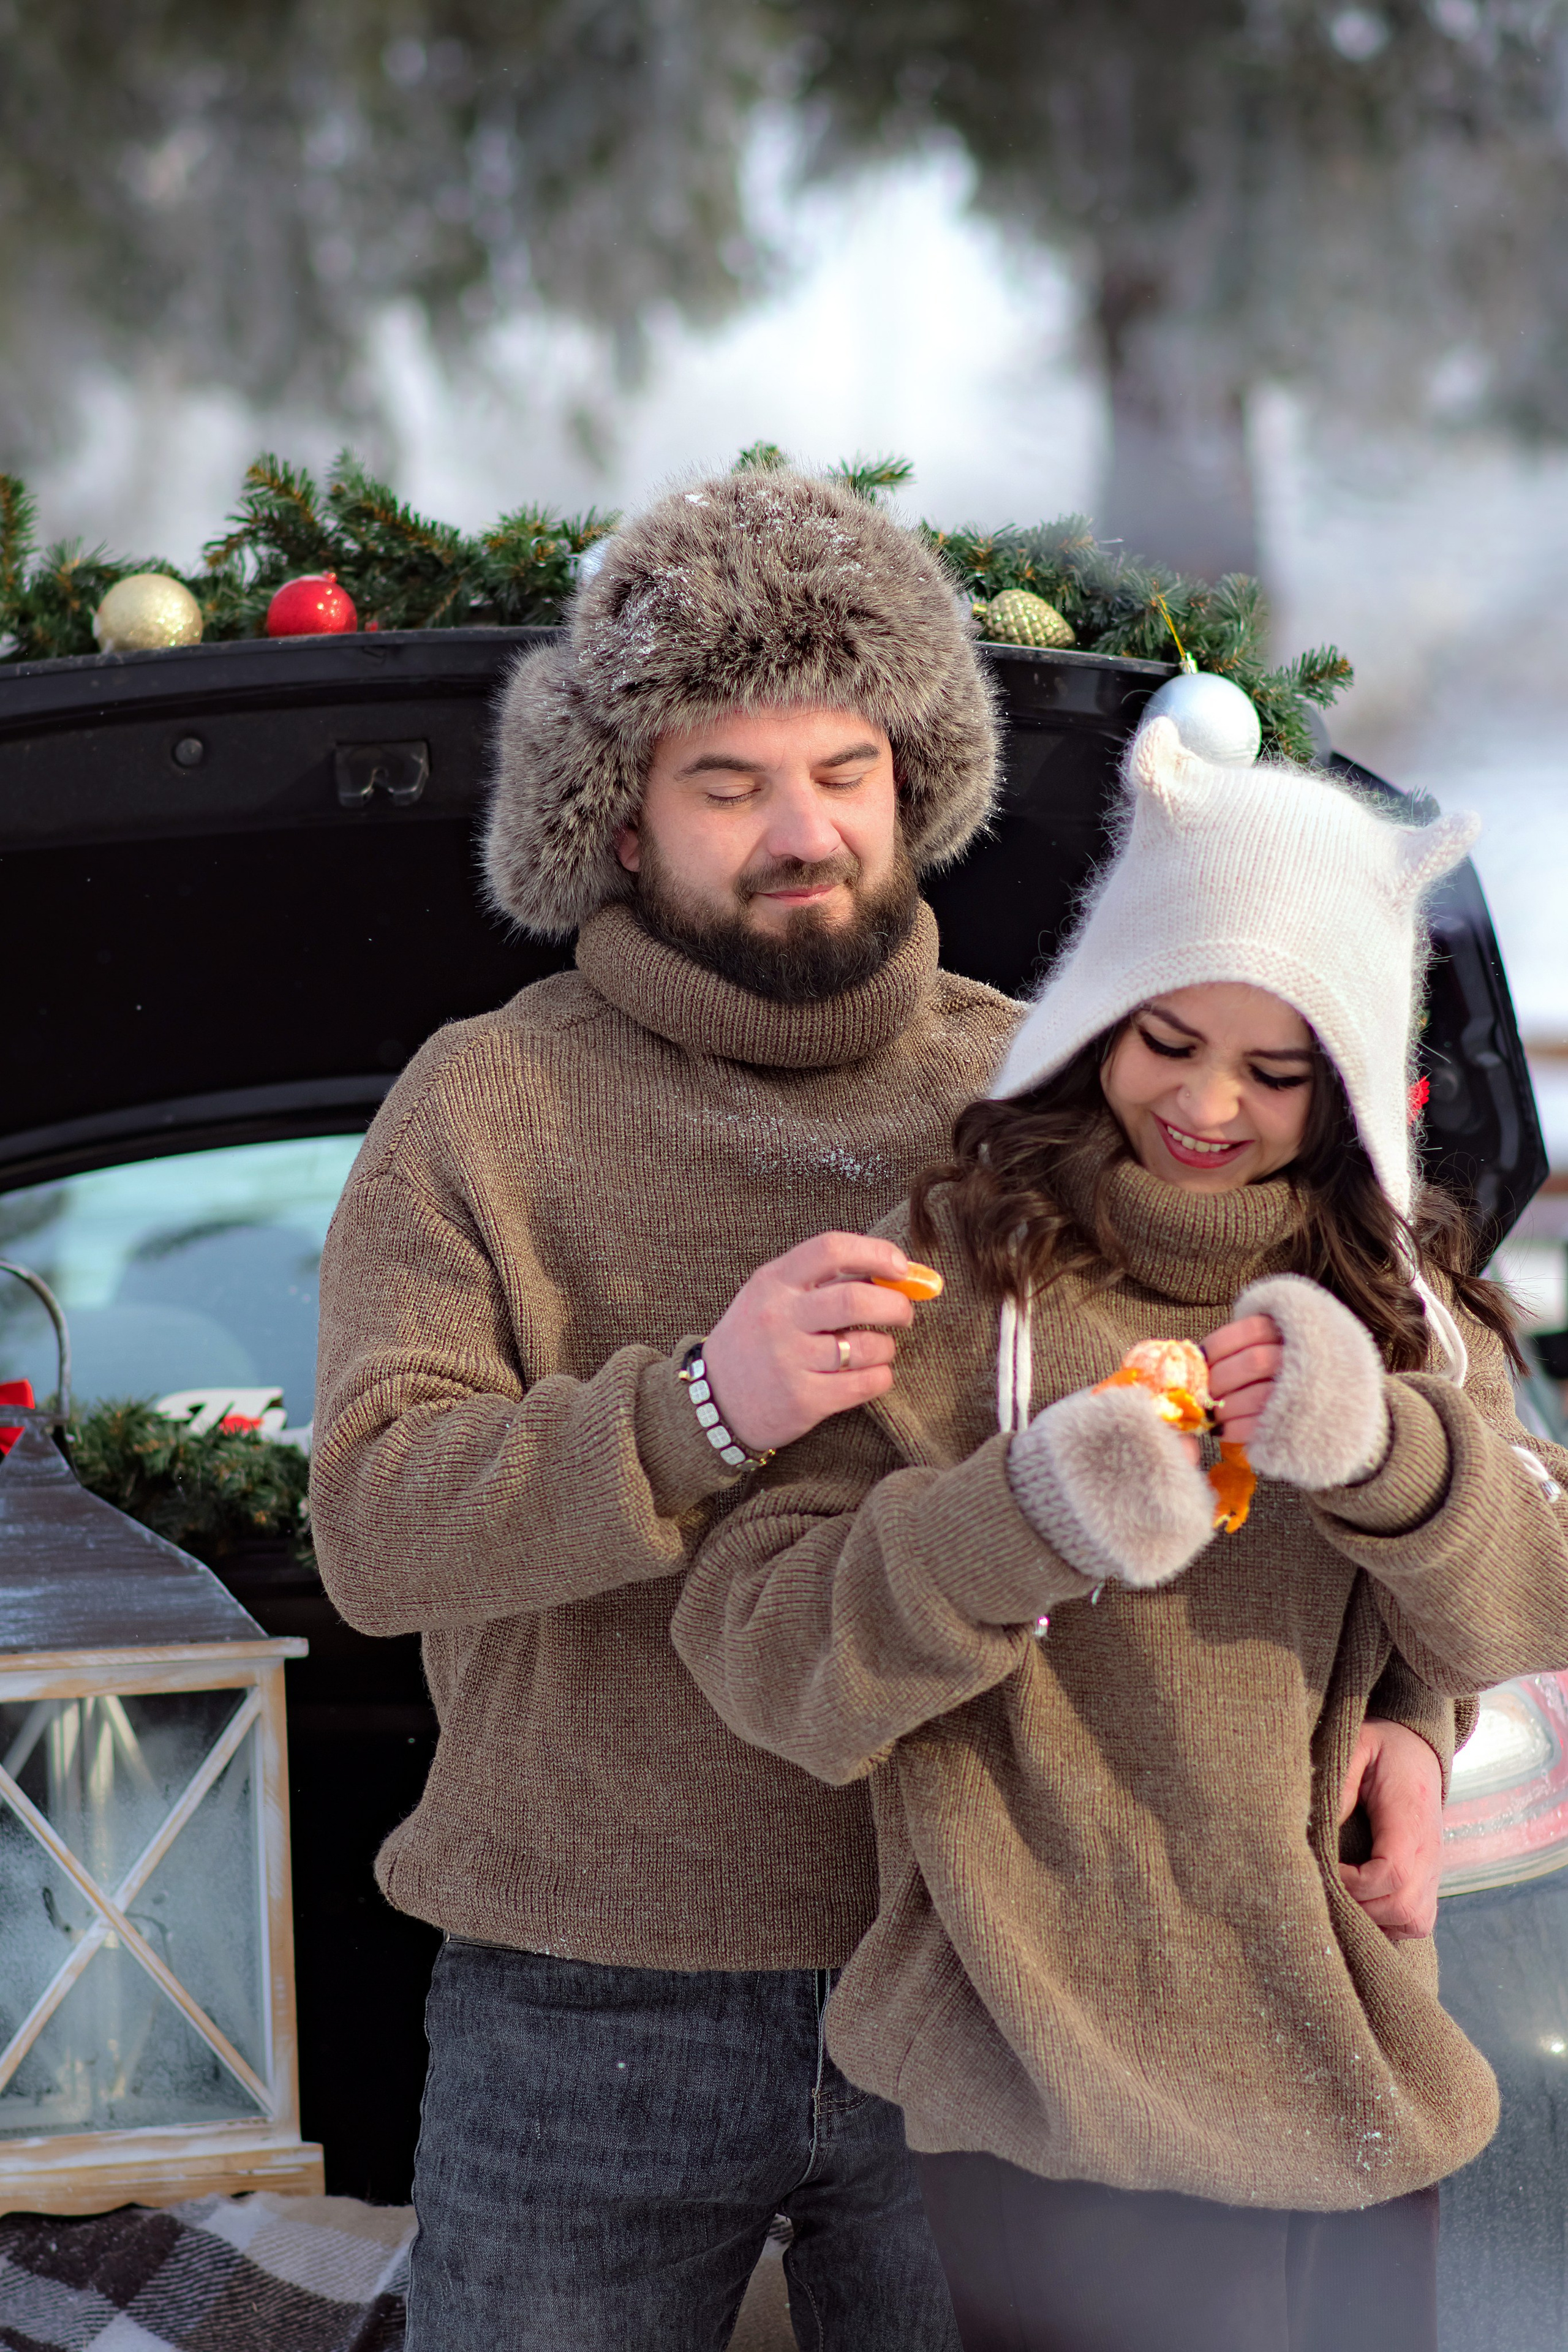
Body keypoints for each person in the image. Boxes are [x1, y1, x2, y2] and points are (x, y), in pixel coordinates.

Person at [310, 468, 1455, 2351]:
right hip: (592, 1998)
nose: (801, 831)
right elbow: (373, 1529)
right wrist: (700, 1405)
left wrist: (1412, 1715)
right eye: (726, 781)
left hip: (1016, 1981)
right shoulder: (482, 1108)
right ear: (616, 824)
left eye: (842, 769)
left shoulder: (1061, 1083)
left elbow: (1343, 1392)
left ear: (915, 782)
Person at [671, 714, 1568, 2352]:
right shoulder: (952, 1269)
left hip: (1343, 2054)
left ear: (1352, 1077)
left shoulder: (1407, 1308)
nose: (1211, 1104)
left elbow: (1518, 1603)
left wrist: (1383, 1468)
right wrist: (1023, 1513)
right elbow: (764, 1650)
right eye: (1167, 1039)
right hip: (1048, 2069)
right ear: (1098, 1020)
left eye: (1278, 1069)